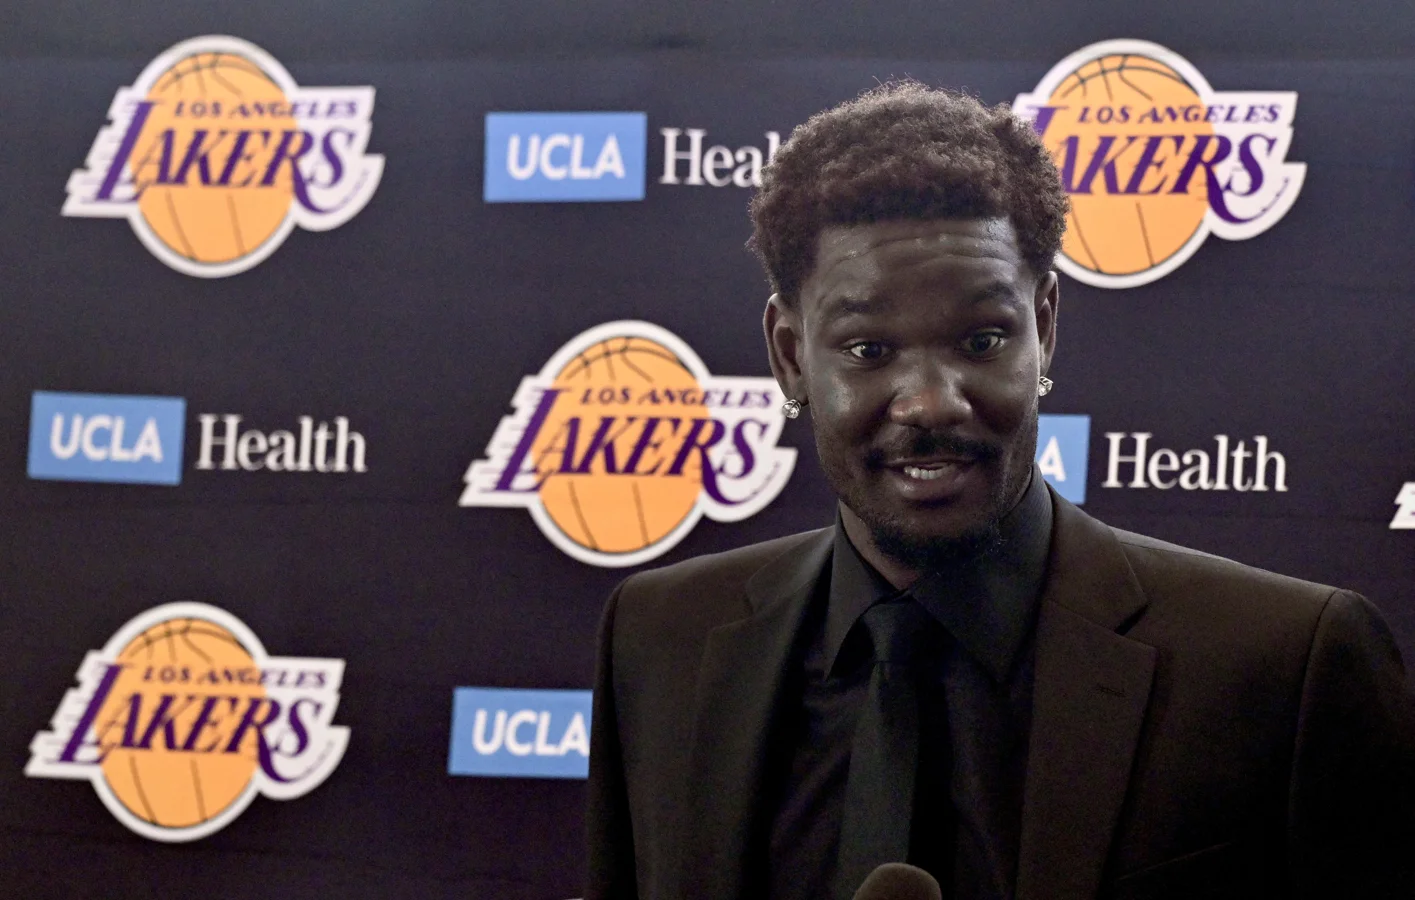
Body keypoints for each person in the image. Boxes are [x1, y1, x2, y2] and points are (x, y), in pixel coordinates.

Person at [583, 82, 1415, 900]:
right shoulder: (659, 638)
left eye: (982, 339)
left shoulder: (1283, 664)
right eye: (868, 350)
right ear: (790, 356)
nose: (930, 402)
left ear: (1043, 327)